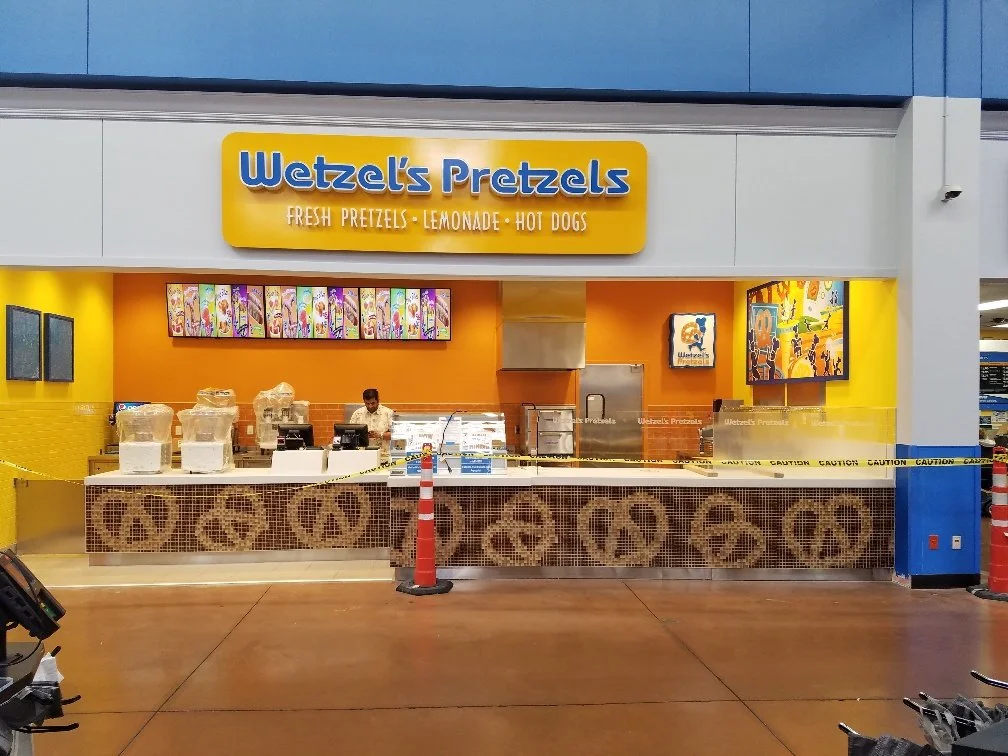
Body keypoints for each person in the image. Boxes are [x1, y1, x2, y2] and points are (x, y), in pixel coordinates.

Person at [349, 388, 394, 463]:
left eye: (373, 403)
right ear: (364, 401)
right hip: (362, 457)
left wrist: (380, 435)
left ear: (378, 400)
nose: (370, 406)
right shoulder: (357, 414)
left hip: (383, 457)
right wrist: (362, 436)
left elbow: (396, 435)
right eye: (367, 403)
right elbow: (349, 435)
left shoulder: (388, 413)